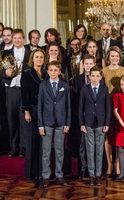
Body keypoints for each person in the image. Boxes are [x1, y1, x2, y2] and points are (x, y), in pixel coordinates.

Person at [37, 60, 71, 188]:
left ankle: (59, 174)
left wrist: (67, 123)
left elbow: (68, 106)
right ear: (48, 71)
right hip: (47, 122)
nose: (53, 72)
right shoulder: (43, 85)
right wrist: (40, 125)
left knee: (59, 151)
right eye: (51, 70)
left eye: (55, 70)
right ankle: (46, 176)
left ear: (59, 71)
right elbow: (40, 106)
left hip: (61, 122)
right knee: (46, 152)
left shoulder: (65, 85)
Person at [79, 67, 110, 186]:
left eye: (97, 76)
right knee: (90, 150)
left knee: (99, 150)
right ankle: (91, 175)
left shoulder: (104, 89)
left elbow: (108, 107)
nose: (95, 78)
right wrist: (81, 124)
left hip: (101, 123)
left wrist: (107, 123)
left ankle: (98, 175)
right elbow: (81, 107)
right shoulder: (85, 89)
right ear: (89, 77)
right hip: (88, 124)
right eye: (93, 76)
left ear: (101, 77)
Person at [1, 28, 30, 157]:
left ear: (23, 39)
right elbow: (1, 72)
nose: (17, 40)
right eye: (15, 38)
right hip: (10, 90)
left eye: (20, 38)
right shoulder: (5, 53)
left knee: (23, 120)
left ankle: (23, 148)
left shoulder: (30, 53)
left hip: (24, 91)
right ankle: (13, 148)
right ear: (12, 39)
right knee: (11, 119)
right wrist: (6, 74)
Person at [21, 48, 48, 185]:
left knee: (44, 143)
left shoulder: (46, 73)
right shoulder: (26, 73)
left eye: (41, 57)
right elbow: (24, 94)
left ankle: (43, 172)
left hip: (45, 111)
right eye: (37, 57)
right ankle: (32, 173)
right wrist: (26, 111)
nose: (39, 59)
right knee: (32, 142)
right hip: (32, 111)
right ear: (32, 59)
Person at [102, 46, 124, 177]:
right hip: (107, 106)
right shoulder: (103, 71)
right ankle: (109, 164)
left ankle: (117, 164)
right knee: (108, 136)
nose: (114, 58)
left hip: (121, 106)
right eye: (112, 56)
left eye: (117, 56)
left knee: (118, 136)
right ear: (108, 57)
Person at [72, 54, 96, 179]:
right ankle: (83, 169)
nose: (88, 66)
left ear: (94, 64)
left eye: (91, 63)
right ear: (83, 64)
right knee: (82, 145)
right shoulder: (78, 79)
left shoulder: (98, 78)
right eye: (86, 63)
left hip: (95, 118)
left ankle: (95, 170)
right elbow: (75, 99)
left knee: (94, 146)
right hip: (81, 117)